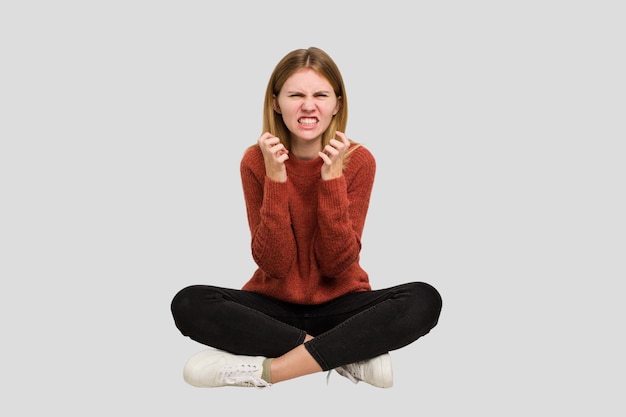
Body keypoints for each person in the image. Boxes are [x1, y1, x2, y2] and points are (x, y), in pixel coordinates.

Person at [170, 46, 442, 389]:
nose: (308, 105)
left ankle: (269, 372)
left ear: (337, 105)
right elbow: (276, 263)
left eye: (320, 95)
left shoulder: (359, 161)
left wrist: (331, 180)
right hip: (273, 308)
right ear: (275, 102)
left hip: (342, 306)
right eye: (296, 94)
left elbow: (335, 264)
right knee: (189, 302)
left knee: (423, 299)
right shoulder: (256, 161)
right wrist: (276, 178)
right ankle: (348, 354)